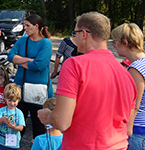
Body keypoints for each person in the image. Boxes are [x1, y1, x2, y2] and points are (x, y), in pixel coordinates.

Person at [38, 12, 137, 150]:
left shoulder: (74, 65)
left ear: (84, 34)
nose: (74, 38)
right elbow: (128, 129)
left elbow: (61, 122)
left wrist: (48, 116)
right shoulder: (127, 74)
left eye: (75, 33)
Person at [7, 14, 52, 139]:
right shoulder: (22, 40)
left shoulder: (46, 43)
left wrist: (20, 61)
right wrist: (28, 60)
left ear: (36, 26)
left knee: (38, 123)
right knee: (17, 121)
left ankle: (37, 145)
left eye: (27, 25)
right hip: (20, 87)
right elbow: (10, 56)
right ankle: (13, 145)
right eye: (24, 25)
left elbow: (39, 65)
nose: (24, 28)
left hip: (38, 90)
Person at [111, 23, 145, 149]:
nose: (114, 46)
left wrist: (127, 130)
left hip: (138, 130)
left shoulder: (135, 69)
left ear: (125, 43)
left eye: (115, 42)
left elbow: (135, 103)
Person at [0, 83, 25, 150]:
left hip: (13, 143)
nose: (12, 103)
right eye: (10, 100)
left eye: (14, 101)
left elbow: (21, 127)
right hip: (1, 142)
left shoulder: (19, 113)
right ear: (5, 99)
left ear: (18, 100)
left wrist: (15, 127)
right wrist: (2, 119)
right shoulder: (2, 110)